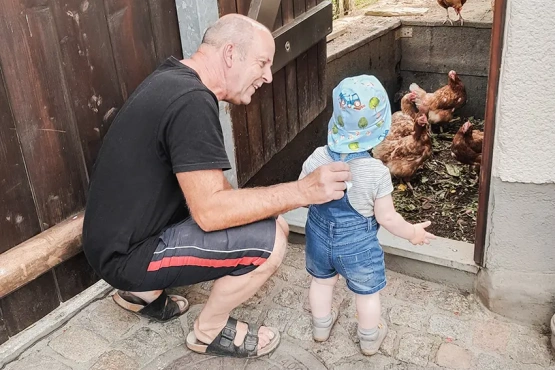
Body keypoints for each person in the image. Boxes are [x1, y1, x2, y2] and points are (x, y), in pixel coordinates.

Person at [82, 14, 352, 359]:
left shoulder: (174, 78)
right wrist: (302, 191)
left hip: (111, 240)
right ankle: (208, 332)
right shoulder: (191, 102)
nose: (268, 76)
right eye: (262, 63)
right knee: (270, 241)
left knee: (270, 221)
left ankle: (142, 293)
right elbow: (210, 214)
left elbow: (212, 187)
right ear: (229, 54)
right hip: (123, 257)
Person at [298, 75, 435, 355]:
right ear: (379, 128)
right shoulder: (376, 172)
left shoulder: (316, 158)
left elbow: (302, 196)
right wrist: (413, 233)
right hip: (357, 247)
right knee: (367, 293)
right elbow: (387, 218)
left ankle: (321, 326)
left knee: (321, 283)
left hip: (318, 237)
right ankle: (370, 339)